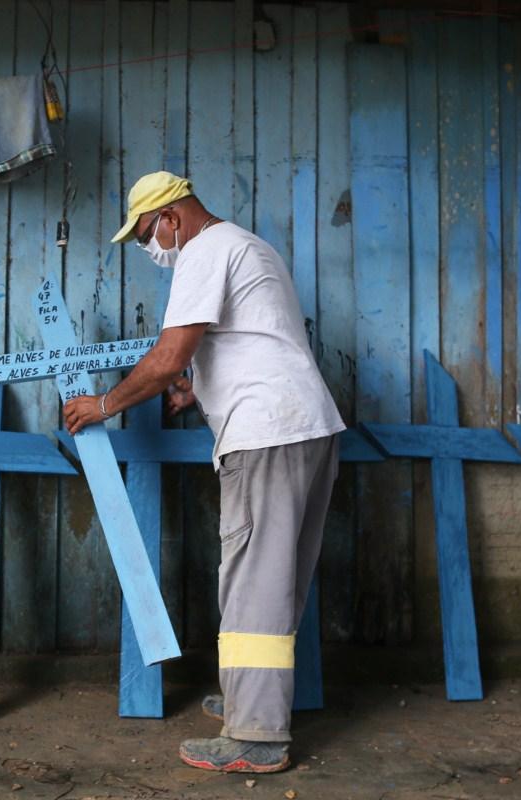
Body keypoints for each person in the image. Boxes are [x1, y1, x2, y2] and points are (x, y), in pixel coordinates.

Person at [62, 171, 345, 774]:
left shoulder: (204, 250)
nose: (151, 249)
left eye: (146, 235)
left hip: (266, 434)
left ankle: (257, 736)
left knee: (252, 580)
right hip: (308, 425)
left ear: (170, 216)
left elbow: (167, 358)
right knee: (278, 578)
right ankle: (251, 699)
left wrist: (104, 405)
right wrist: (200, 393)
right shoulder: (250, 245)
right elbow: (255, 340)